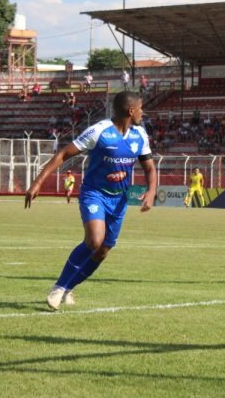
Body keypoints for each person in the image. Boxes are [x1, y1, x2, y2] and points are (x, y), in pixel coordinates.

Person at [25, 91, 157, 310]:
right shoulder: (99, 131)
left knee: (103, 250)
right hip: (94, 193)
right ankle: (59, 287)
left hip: (119, 200)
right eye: (141, 108)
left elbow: (149, 167)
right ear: (131, 110)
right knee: (94, 240)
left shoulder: (140, 135)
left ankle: (68, 287)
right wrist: (38, 182)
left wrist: (151, 191)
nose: (143, 113)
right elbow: (64, 154)